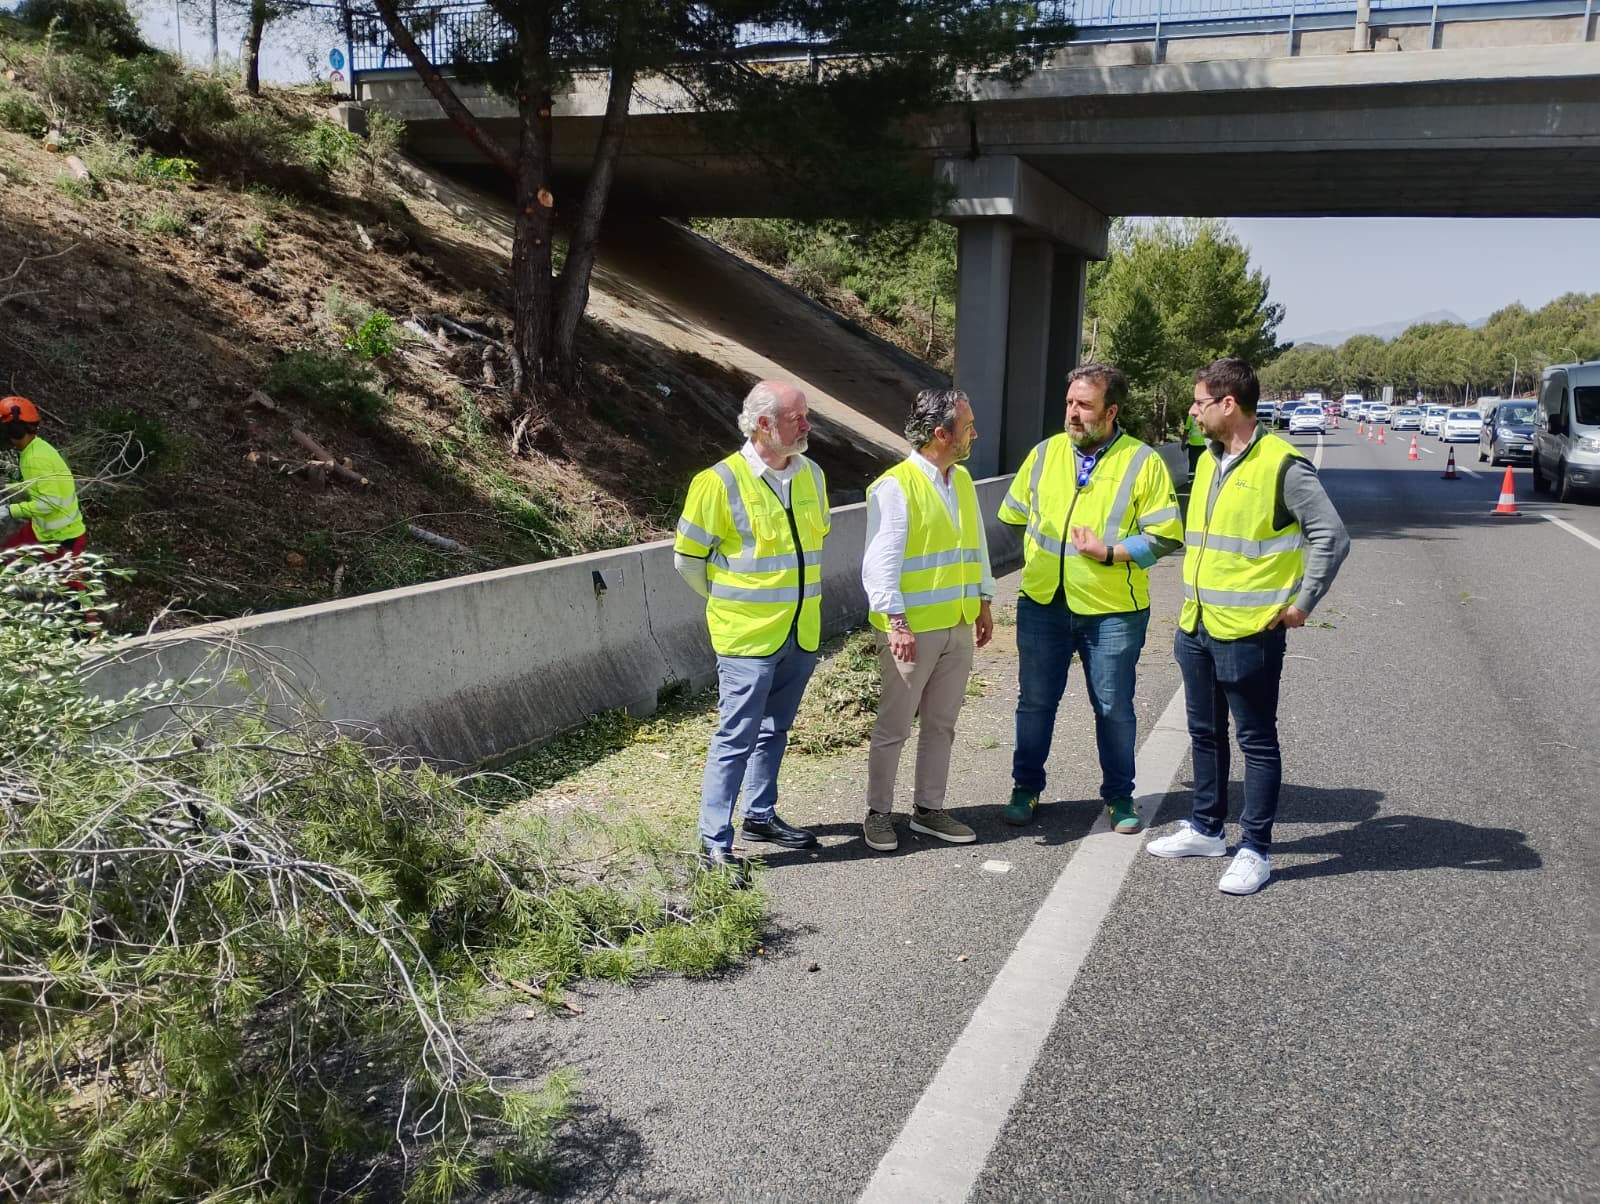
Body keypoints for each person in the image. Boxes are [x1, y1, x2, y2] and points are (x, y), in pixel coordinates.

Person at [1147, 357, 1350, 895]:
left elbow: (1332, 536)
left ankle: (1255, 848)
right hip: (1197, 624)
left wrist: (1303, 603)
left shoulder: (1283, 464)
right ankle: (1207, 827)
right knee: (1204, 733)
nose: (1192, 411)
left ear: (1228, 404)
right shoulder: (1211, 458)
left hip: (1250, 631)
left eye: (1198, 402)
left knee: (1256, 740)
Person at [997, 364, 1185, 834]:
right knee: (1035, 703)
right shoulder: (1042, 456)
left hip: (1112, 612)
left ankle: (1120, 797)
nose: (1073, 414)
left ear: (1111, 411)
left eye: (1084, 405)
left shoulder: (1143, 462)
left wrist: (1112, 552)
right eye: (1069, 403)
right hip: (1043, 602)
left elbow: (1165, 536)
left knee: (1113, 707)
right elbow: (1013, 515)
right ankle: (1026, 787)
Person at [673, 381, 828, 869]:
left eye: (806, 416)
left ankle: (760, 815)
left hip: (799, 631)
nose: (807, 426)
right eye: (796, 418)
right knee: (735, 736)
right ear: (763, 424)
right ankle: (713, 841)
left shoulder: (812, 475)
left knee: (774, 729)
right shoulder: (717, 482)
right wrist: (728, 604)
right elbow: (687, 561)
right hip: (746, 637)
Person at [859, 389, 995, 852]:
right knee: (894, 726)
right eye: (969, 425)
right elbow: (881, 561)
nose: (975, 432)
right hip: (911, 631)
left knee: (942, 723)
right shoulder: (895, 486)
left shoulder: (962, 481)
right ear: (942, 433)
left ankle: (928, 809)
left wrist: (983, 600)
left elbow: (974, 547)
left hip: (957, 622)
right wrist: (896, 622)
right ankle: (879, 813)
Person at [2, 396, 88, 576]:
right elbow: (38, 485)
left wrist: (10, 510)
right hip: (42, 529)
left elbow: (48, 504)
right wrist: (8, 487)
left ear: (14, 430)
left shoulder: (35, 459)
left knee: (69, 588)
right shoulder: (36, 448)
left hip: (64, 536)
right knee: (6, 555)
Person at [1182, 409, 1207, 483]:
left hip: (1197, 445)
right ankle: (1194, 479)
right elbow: (1186, 430)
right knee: (1198, 462)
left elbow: (1186, 430)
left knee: (1193, 462)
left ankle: (1192, 480)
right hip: (1201, 445)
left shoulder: (1191, 417)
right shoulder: (1205, 415)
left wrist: (1183, 443)